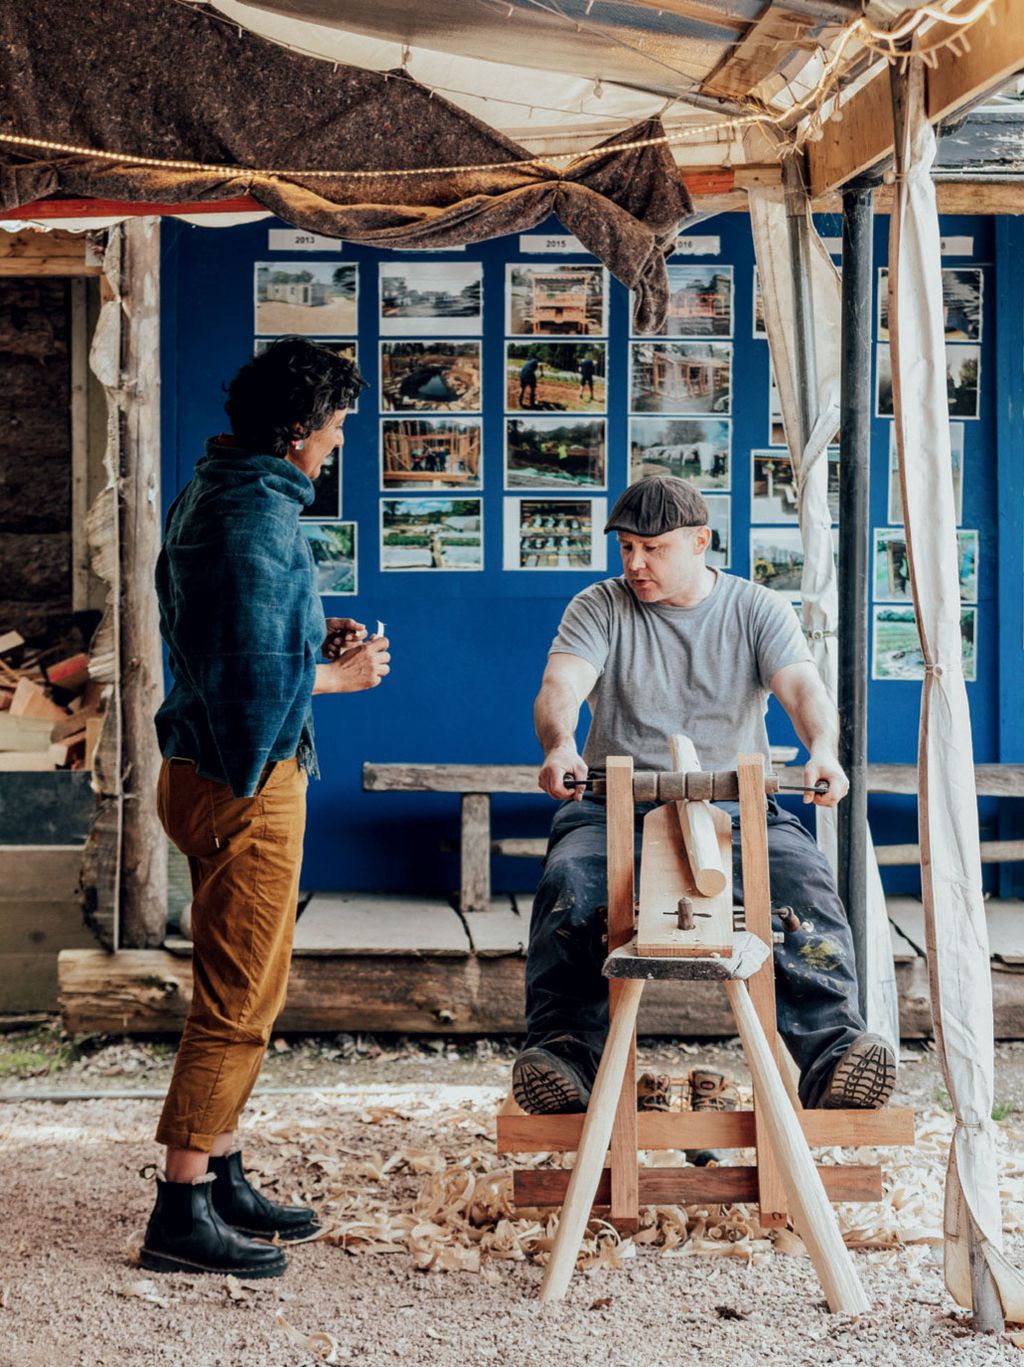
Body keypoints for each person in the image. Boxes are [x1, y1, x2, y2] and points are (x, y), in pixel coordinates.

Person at [513, 475, 896, 1119]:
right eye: (627, 547)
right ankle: (564, 1056)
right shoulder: (599, 606)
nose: (635, 563)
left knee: (804, 884)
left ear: (700, 541)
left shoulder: (756, 608)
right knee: (570, 885)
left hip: (736, 805)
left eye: (653, 548)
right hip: (615, 802)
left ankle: (835, 1053)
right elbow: (561, 686)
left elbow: (803, 691)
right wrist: (560, 745)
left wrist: (823, 749)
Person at [142, 337, 391, 1279]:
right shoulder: (254, 516)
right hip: (243, 785)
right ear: (296, 433)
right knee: (238, 1003)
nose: (335, 447)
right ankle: (181, 1208)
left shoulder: (221, 486)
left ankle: (225, 1170)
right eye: (332, 431)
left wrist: (303, 633)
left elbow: (224, 633)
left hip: (197, 770)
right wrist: (341, 674)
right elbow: (253, 696)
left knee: (245, 985)